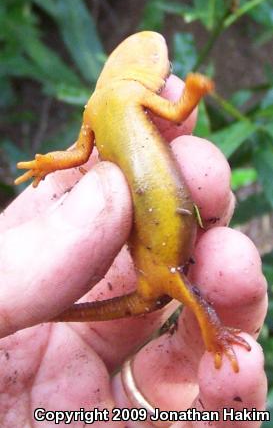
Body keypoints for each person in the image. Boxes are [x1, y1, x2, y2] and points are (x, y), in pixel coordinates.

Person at [0, 76, 267, 427]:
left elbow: (168, 113)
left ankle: (213, 334)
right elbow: (82, 152)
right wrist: (46, 164)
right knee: (189, 285)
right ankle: (213, 335)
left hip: (160, 256)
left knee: (197, 277)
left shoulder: (122, 97)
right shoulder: (101, 107)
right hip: (158, 260)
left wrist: (194, 93)